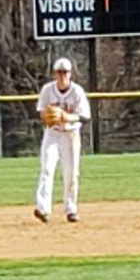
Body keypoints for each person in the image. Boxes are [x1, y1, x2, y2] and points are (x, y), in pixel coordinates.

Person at [33, 57, 91, 224]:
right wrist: (48, 117)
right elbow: (42, 113)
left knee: (71, 174)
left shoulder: (77, 91)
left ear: (70, 74)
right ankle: (43, 209)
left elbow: (85, 117)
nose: (62, 75)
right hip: (53, 133)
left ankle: (71, 209)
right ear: (54, 73)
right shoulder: (47, 90)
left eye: (65, 72)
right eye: (59, 72)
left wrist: (67, 117)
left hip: (71, 134)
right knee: (47, 169)